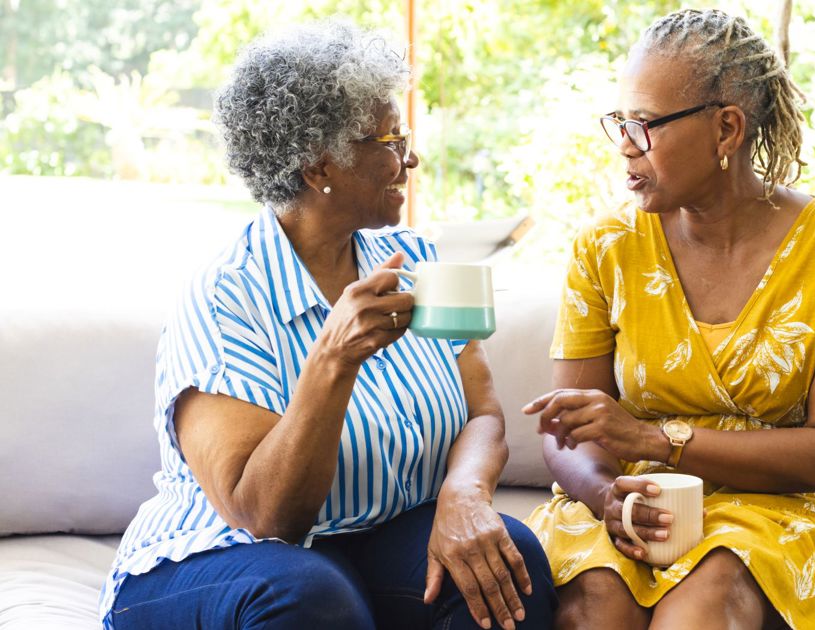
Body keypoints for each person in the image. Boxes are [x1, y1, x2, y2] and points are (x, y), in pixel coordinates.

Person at [99, 21, 555, 630]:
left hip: (366, 539)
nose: (410, 156)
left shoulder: (416, 261)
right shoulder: (226, 297)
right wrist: (333, 361)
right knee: (309, 596)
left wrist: (464, 496)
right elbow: (264, 515)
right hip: (223, 557)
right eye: (390, 138)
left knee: (506, 559)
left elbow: (483, 413)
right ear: (320, 167)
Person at [522, 9, 815, 630]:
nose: (625, 144)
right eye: (620, 123)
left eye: (644, 125)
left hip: (773, 509)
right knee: (594, 604)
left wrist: (655, 441)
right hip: (630, 501)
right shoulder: (605, 247)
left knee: (709, 599)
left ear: (727, 129)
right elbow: (568, 423)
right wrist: (606, 496)